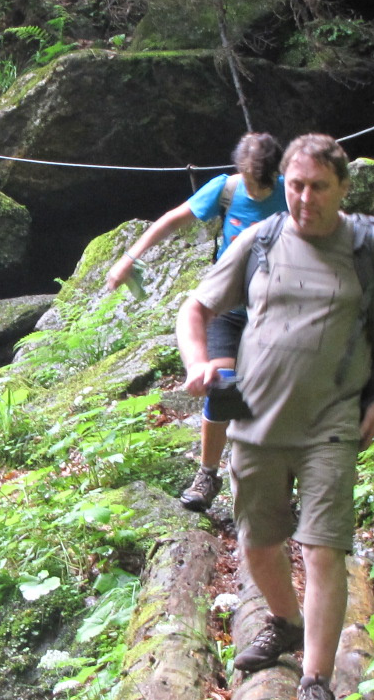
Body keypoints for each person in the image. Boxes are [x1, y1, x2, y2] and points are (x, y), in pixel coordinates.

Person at [176, 134, 374, 700]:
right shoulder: (259, 241)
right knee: (259, 547)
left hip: (332, 425)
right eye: (295, 185)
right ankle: (286, 624)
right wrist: (197, 363)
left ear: (343, 188)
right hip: (255, 423)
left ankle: (316, 678)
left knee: (322, 549)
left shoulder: (368, 249)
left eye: (318, 186)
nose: (304, 198)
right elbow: (197, 309)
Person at [105, 132, 286, 512]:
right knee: (220, 386)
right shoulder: (226, 190)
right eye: (252, 181)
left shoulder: (291, 193)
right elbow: (172, 220)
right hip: (228, 309)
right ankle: (207, 474)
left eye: (263, 181)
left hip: (277, 313)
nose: (257, 189)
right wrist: (129, 257)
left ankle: (276, 478)